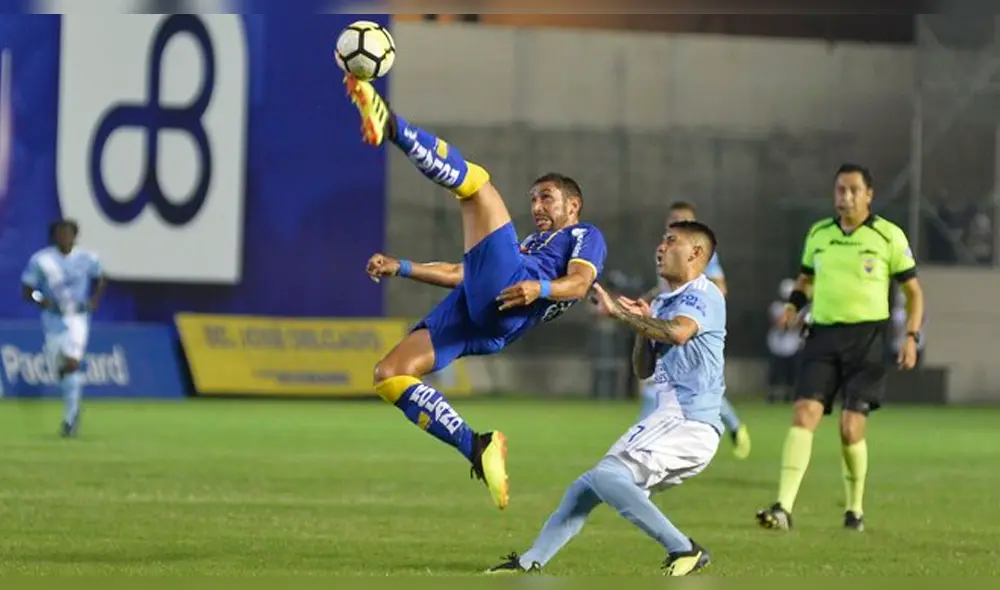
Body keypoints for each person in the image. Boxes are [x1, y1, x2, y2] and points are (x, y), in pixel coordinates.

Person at [347, 76, 607, 511]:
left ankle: (392, 126)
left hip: (510, 303)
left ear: (573, 206)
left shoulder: (584, 234)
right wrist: (403, 267)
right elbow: (464, 273)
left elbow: (580, 284)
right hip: (481, 314)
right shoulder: (524, 245)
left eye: (547, 198)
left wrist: (538, 287)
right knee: (390, 373)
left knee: (478, 185)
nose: (538, 207)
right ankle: (477, 446)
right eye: (534, 200)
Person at [487, 220, 725, 577]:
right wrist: (642, 328)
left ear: (696, 253)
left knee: (608, 477)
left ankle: (684, 548)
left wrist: (621, 314)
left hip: (687, 420)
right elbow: (643, 369)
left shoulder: (701, 294)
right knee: (587, 487)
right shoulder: (663, 301)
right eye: (660, 240)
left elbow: (678, 333)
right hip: (673, 420)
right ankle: (529, 561)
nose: (660, 248)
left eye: (670, 241)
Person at [756, 163, 925, 532]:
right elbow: (805, 278)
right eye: (839, 190)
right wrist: (793, 306)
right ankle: (783, 507)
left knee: (850, 429)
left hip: (868, 341)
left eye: (853, 190)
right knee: (804, 414)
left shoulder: (887, 236)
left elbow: (914, 293)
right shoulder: (818, 234)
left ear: (869, 194)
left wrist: (911, 336)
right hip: (823, 338)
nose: (845, 196)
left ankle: (855, 509)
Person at [639, 201, 749, 459]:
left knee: (695, 387)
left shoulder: (698, 255)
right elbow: (665, 290)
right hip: (665, 324)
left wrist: (695, 301)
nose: (676, 223)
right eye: (673, 219)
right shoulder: (665, 252)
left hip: (692, 327)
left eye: (683, 219)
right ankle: (644, 441)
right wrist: (645, 301)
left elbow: (720, 287)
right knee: (660, 383)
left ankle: (734, 426)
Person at [20, 219, 106, 437]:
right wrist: (42, 300)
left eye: (68, 233)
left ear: (75, 235)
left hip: (77, 317)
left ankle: (70, 418)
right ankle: (72, 406)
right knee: (60, 369)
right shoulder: (42, 260)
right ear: (54, 236)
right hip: (52, 319)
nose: (65, 237)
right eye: (60, 233)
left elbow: (101, 278)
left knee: (72, 362)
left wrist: (94, 300)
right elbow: (28, 290)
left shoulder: (87, 258)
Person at [766, 278, 805, 403]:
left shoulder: (800, 308)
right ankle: (772, 394)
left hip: (792, 344)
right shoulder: (776, 306)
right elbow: (778, 323)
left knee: (791, 372)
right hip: (777, 344)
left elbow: (799, 323)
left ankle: (789, 394)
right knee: (775, 371)